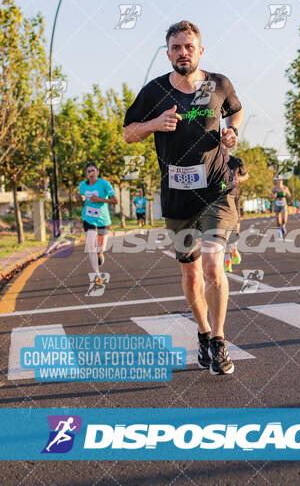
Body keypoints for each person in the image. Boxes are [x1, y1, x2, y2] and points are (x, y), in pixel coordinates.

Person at [123, 20, 243, 375]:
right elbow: (129, 133)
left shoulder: (217, 84)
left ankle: (219, 341)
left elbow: (234, 108)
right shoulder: (155, 91)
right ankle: (204, 333)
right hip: (177, 197)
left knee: (212, 266)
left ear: (200, 50)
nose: (183, 52)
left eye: (189, 46)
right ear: (168, 53)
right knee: (191, 277)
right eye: (176, 47)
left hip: (217, 189)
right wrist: (154, 124)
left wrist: (232, 129)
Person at [76, 162, 117, 286]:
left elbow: (115, 201)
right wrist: (79, 198)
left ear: (97, 172)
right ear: (86, 174)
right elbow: (81, 196)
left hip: (103, 220)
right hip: (88, 218)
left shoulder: (105, 184)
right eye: (88, 171)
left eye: (93, 170)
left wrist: (99, 199)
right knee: (91, 247)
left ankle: (101, 253)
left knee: (101, 247)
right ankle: (96, 275)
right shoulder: (82, 185)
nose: (91, 173)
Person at [223, 147, 249, 272]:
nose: (222, 148)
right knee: (223, 231)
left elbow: (246, 175)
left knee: (236, 226)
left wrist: (240, 179)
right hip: (219, 199)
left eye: (224, 146)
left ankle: (234, 248)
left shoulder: (236, 161)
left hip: (234, 197)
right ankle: (227, 261)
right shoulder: (213, 161)